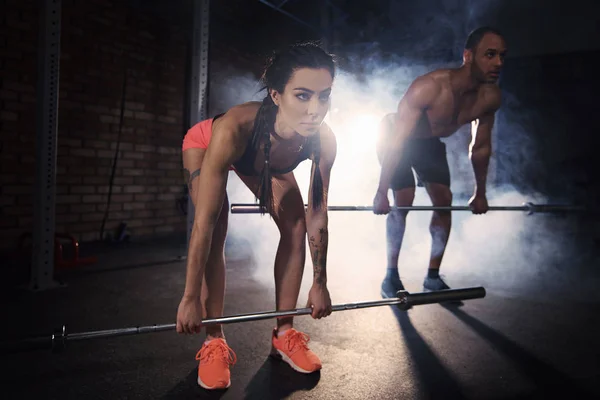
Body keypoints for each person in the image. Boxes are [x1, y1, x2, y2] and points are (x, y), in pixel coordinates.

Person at [177, 42, 338, 390]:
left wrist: (320, 282)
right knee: (217, 222)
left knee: (295, 224)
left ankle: (284, 333)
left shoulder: (323, 140)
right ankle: (214, 340)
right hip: (211, 144)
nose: (315, 109)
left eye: (324, 96)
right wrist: (189, 297)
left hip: (265, 157)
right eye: (303, 95)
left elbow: (317, 216)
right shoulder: (235, 127)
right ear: (277, 96)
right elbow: (202, 223)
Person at [373, 27, 507, 299]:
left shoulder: (489, 98)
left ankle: (433, 277)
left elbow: (480, 148)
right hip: (395, 136)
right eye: (490, 55)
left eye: (502, 56)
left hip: (429, 143)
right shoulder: (430, 87)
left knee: (444, 201)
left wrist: (479, 193)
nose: (498, 63)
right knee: (404, 199)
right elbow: (397, 142)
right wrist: (380, 191)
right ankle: (391, 276)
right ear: (468, 56)